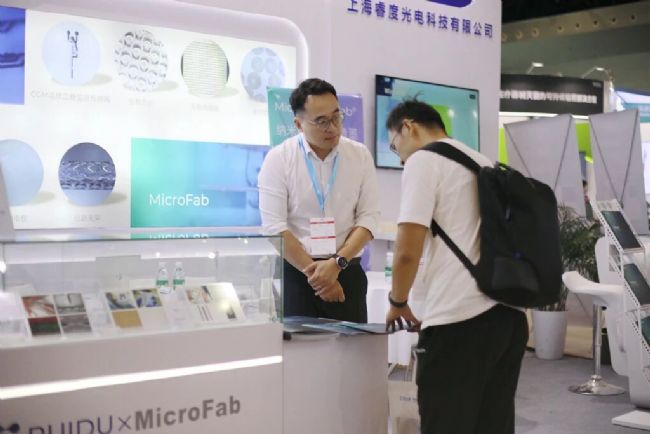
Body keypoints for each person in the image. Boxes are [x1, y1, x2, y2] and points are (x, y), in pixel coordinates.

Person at [384, 100, 528, 434]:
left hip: (460, 320)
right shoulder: (482, 162)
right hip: (509, 317)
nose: (400, 158)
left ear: (408, 127)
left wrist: (398, 302)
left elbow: (406, 251)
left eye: (394, 146)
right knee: (492, 425)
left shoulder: (423, 160)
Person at [258, 78, 379, 322]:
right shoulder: (279, 159)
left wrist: (336, 264)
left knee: (350, 346)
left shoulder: (360, 155)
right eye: (322, 121)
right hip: (298, 275)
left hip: (346, 271)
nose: (332, 128)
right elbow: (274, 228)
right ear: (299, 124)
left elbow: (369, 218)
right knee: (299, 346)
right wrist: (319, 277)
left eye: (337, 117)